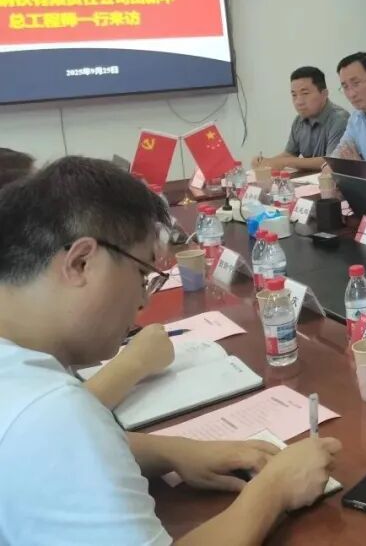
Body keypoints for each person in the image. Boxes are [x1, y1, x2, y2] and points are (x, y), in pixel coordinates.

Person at [0, 157, 341, 544]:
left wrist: (170, 452)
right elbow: (54, 437)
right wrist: (274, 490)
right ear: (81, 262)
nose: (143, 302)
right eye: (142, 274)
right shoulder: (49, 413)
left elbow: (54, 454)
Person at [251, 66, 349, 173]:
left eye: (305, 93)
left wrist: (286, 162)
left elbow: (332, 161)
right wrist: (266, 162)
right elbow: (289, 154)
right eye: (294, 95)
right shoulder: (299, 120)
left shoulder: (340, 119)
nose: (298, 102)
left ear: (324, 94)